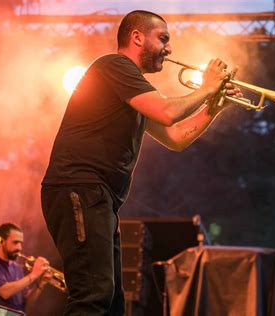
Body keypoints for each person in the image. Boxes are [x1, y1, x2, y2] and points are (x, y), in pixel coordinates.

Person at [41, 10, 241, 315]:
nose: (169, 49)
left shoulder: (132, 89)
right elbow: (166, 112)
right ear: (137, 37)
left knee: (112, 303)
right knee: (94, 295)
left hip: (99, 197)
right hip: (79, 186)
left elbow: (175, 137)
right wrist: (207, 88)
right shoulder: (114, 65)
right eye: (163, 38)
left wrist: (213, 109)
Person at [0, 223, 51, 312]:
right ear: (1, 241)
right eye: (15, 242)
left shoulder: (17, 268)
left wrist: (40, 284)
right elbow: (4, 292)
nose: (20, 247)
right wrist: (34, 274)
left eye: (21, 243)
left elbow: (27, 303)